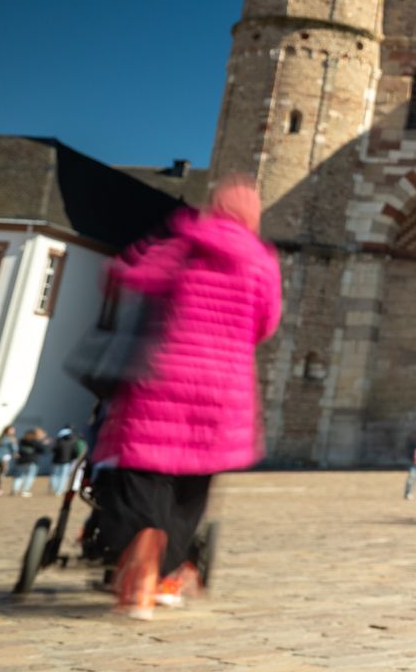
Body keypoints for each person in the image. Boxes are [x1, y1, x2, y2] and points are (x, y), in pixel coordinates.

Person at [92, 175, 282, 618]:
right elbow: (266, 323)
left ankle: (143, 550)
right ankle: (166, 574)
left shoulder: (184, 243)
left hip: (164, 378)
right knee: (191, 488)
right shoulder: (262, 261)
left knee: (143, 473)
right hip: (223, 390)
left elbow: (126, 275)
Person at [12, 426, 49, 496]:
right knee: (30, 476)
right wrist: (43, 442)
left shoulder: (21, 441)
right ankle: (25, 490)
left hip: (21, 461)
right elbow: (44, 450)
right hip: (32, 462)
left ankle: (15, 490)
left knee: (19, 476)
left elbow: (16, 450)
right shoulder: (35, 442)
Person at [50, 427, 83, 495]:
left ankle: (55, 489)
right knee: (63, 477)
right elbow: (74, 452)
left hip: (56, 461)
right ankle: (59, 491)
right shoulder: (73, 442)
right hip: (67, 462)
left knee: (55, 475)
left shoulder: (58, 441)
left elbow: (53, 450)